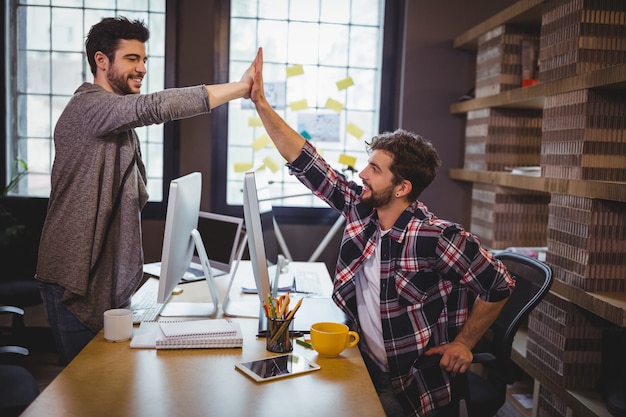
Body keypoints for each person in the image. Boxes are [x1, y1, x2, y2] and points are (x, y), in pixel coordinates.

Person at [249, 47, 515, 417]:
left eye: (373, 168)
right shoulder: (363, 210)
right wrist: (260, 102)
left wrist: (465, 344)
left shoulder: (437, 236)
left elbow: (499, 283)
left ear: (402, 187)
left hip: (408, 388)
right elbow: (308, 162)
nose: (362, 175)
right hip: (363, 363)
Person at [35, 16, 255, 365]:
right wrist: (240, 89)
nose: (142, 69)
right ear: (101, 61)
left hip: (100, 274)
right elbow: (153, 107)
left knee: (112, 385)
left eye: (144, 60)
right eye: (132, 59)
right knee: (86, 390)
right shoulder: (89, 107)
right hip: (74, 278)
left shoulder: (116, 121)